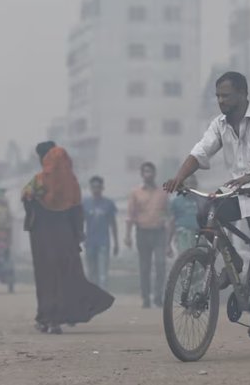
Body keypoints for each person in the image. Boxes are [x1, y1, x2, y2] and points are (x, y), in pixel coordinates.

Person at [164, 71, 250, 340]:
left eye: (226, 95)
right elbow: (200, 151)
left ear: (243, 94)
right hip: (237, 192)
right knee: (206, 210)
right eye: (218, 96)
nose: (221, 100)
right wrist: (179, 178)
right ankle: (234, 260)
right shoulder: (219, 124)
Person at [22, 141, 113, 334]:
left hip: (42, 241)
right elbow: (77, 213)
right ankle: (61, 318)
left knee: (46, 279)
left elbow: (27, 202)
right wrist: (78, 235)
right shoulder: (73, 184)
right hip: (65, 239)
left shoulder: (38, 181)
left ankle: (47, 318)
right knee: (67, 277)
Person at [125, 162, 170, 308]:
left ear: (154, 174)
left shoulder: (162, 192)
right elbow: (130, 214)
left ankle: (158, 297)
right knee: (144, 267)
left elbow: (168, 214)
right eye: (145, 172)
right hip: (142, 232)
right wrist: (127, 235)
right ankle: (145, 297)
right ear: (142, 174)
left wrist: (169, 239)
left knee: (160, 264)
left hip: (159, 233)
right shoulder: (135, 192)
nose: (148, 174)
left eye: (150, 171)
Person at [82, 175, 119, 290]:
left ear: (102, 188)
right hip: (90, 243)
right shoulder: (85, 203)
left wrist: (116, 243)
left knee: (102, 274)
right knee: (91, 273)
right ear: (90, 188)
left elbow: (113, 224)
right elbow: (79, 222)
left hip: (103, 243)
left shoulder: (108, 204)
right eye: (93, 187)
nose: (96, 189)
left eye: (98, 187)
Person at [168, 175, 200, 256]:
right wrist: (168, 244)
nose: (190, 186)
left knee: (200, 263)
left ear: (196, 185)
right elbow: (171, 222)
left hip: (199, 237)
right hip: (183, 237)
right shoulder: (176, 202)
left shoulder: (202, 201)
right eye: (187, 183)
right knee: (185, 262)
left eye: (192, 183)